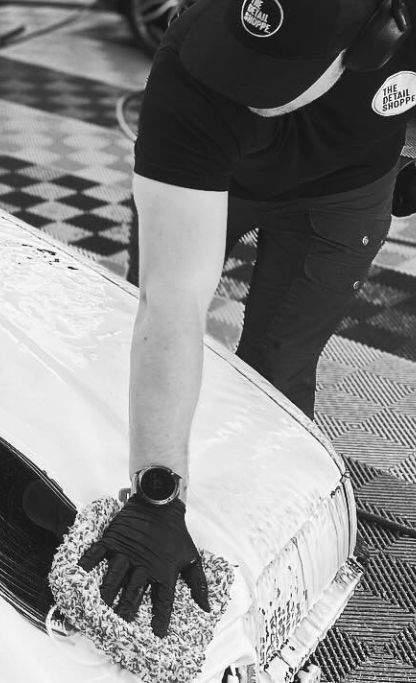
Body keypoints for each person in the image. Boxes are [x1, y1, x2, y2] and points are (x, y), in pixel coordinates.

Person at [76, 0, 416, 637]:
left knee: (279, 368)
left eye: (275, 75)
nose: (248, 86)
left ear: (376, 44)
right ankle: (135, 488)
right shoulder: (195, 67)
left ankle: (265, 550)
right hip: (213, 174)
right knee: (138, 319)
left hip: (347, 184)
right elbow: (171, 302)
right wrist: (156, 495)